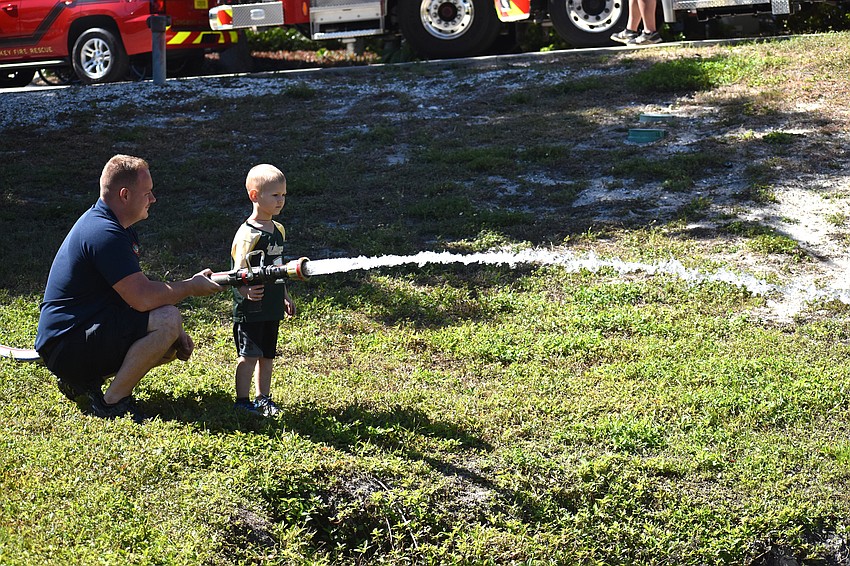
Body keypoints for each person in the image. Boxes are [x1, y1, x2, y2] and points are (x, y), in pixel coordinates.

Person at [35, 155, 223, 421]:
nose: (153, 199)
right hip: (65, 345)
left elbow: (131, 296)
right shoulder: (104, 233)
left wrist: (177, 333)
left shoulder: (117, 227)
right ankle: (112, 402)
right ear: (125, 195)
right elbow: (143, 298)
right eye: (147, 193)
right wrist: (191, 287)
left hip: (74, 337)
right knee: (167, 320)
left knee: (169, 337)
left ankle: (81, 382)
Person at [229, 164, 295, 417]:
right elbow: (236, 271)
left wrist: (285, 295)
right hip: (251, 307)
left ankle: (263, 398)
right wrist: (244, 292)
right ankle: (242, 401)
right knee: (248, 355)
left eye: (283, 195)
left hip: (272, 305)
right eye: (275, 195)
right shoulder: (247, 234)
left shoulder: (278, 230)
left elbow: (278, 267)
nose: (281, 201)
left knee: (267, 355)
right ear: (255, 196)